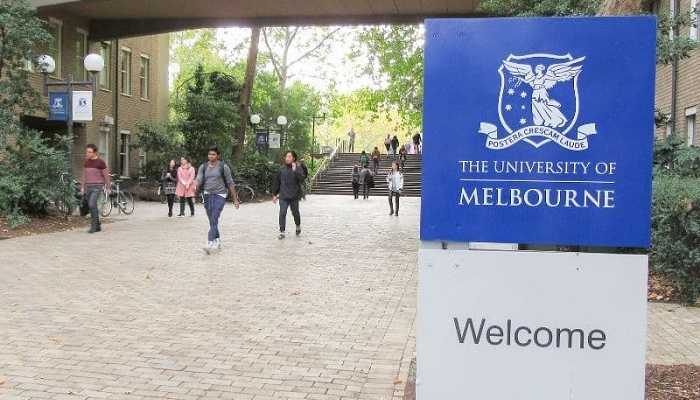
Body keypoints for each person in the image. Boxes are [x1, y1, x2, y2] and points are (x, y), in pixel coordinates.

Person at [196, 146, 240, 254]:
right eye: (209, 154)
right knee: (212, 220)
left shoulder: (223, 167)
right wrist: (195, 187)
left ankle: (210, 241)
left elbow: (230, 183)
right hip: (207, 195)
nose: (211, 156)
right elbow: (199, 179)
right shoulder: (203, 166)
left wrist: (235, 199)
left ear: (218, 155)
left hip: (220, 195)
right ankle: (217, 239)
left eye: (213, 154)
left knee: (215, 216)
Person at [272, 151, 306, 240]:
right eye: (286, 156)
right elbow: (277, 182)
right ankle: (282, 232)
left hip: (294, 196)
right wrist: (275, 194)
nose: (287, 158)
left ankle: (298, 226)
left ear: (293, 158)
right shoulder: (281, 169)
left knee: (295, 213)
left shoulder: (297, 168)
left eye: (289, 156)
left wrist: (295, 170)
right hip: (283, 196)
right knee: (282, 213)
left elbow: (302, 179)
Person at [81, 144, 111, 234]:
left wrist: (108, 187)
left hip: (97, 187)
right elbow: (84, 176)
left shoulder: (100, 162)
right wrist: (82, 187)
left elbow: (106, 176)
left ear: (95, 152)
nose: (87, 153)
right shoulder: (86, 162)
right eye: (87, 152)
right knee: (91, 206)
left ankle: (93, 226)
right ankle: (97, 225)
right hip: (88, 187)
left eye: (89, 152)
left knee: (91, 204)